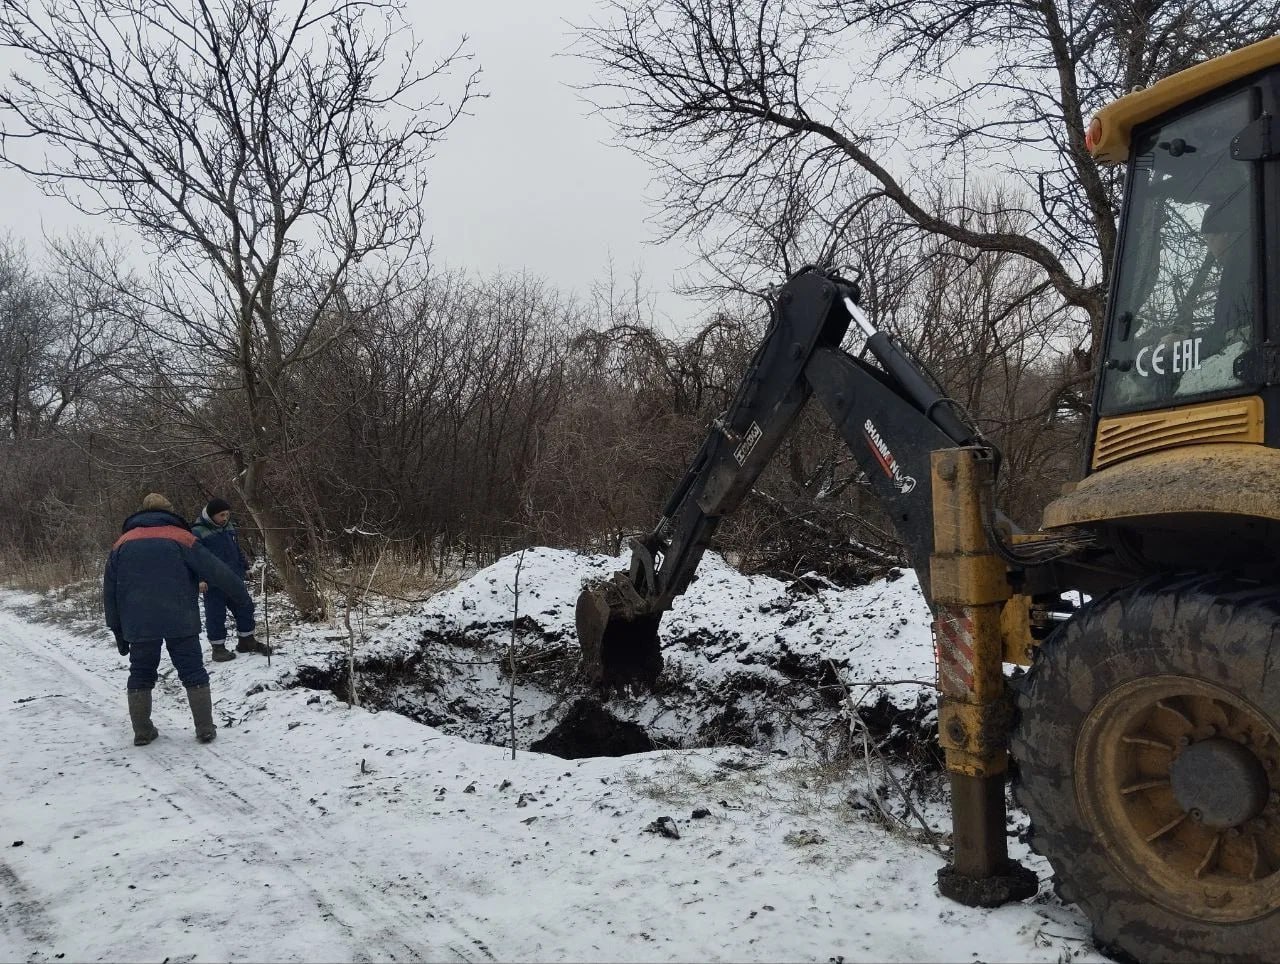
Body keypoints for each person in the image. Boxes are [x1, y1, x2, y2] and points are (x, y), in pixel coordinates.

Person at [103, 493, 254, 745]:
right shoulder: (181, 537)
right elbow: (216, 570)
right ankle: (205, 728)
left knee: (140, 672)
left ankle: (142, 731)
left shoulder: (122, 543)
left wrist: (116, 627)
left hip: (139, 622)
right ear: (170, 511)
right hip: (180, 617)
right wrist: (241, 596)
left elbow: (109, 591)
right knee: (193, 670)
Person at [191, 497, 263, 660]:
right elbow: (195, 557)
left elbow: (236, 549)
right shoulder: (197, 531)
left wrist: (245, 567)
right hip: (213, 582)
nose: (225, 518)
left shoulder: (229, 527)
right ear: (211, 516)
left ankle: (246, 641)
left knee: (245, 607)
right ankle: (218, 649)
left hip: (234, 577)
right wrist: (200, 579)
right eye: (221, 515)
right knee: (216, 614)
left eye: (227, 515)